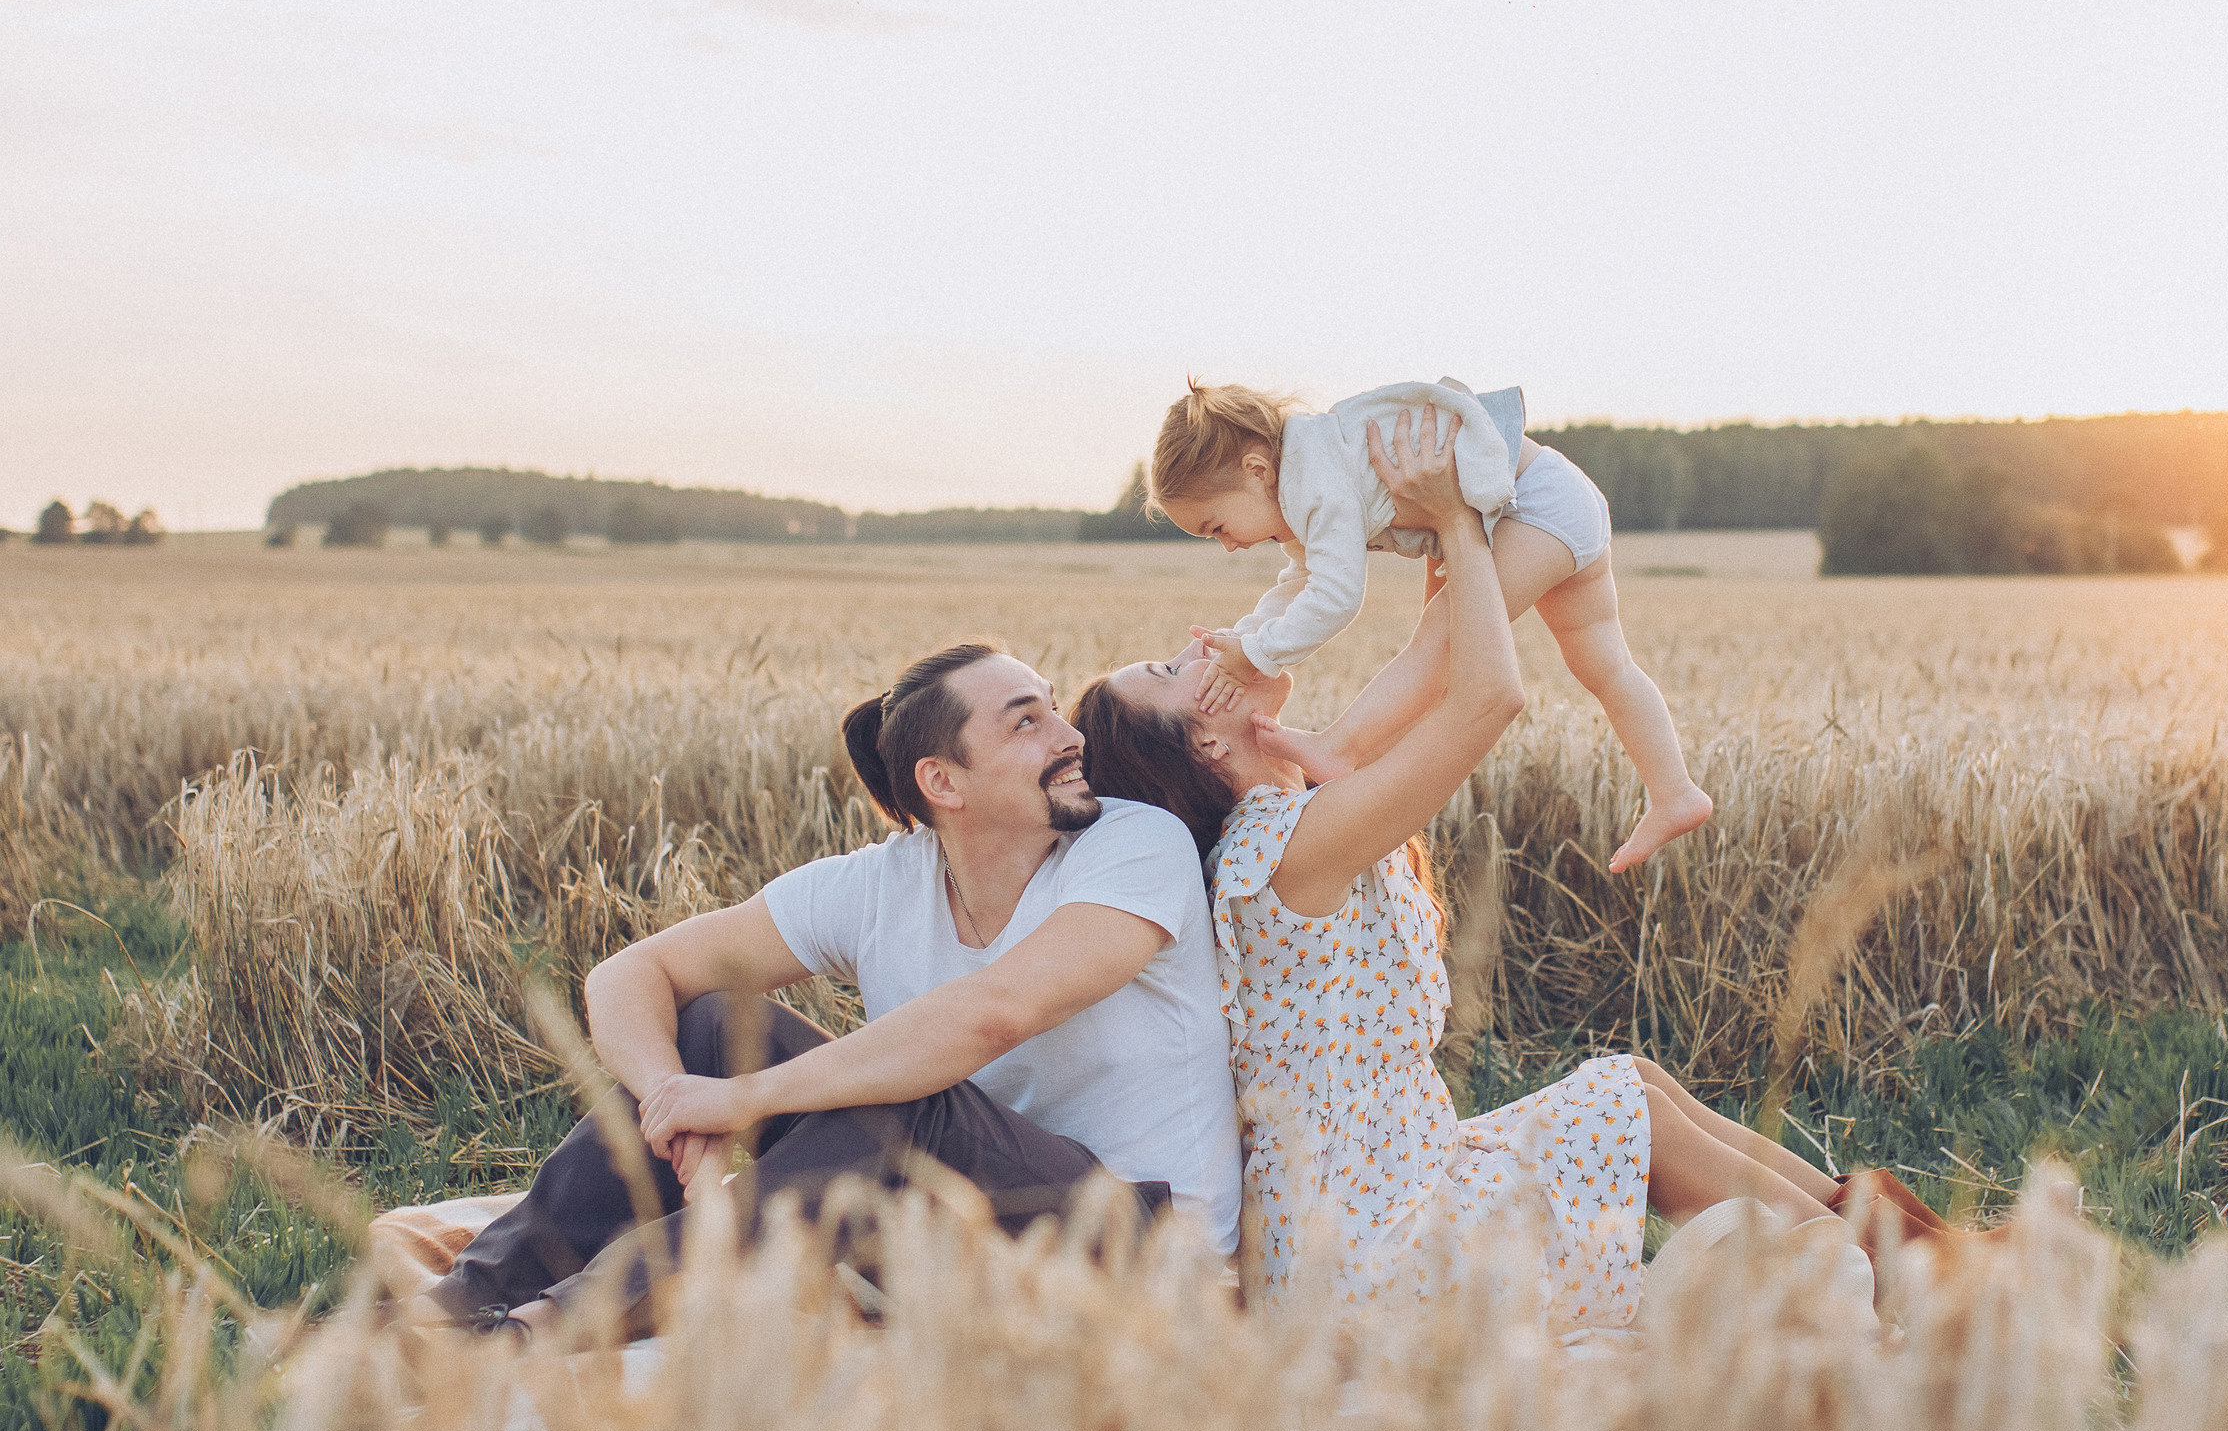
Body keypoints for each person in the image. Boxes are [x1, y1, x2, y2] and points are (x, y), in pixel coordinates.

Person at [1075, 410, 1953, 1330]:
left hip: (1389, 1182)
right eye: (1173, 665)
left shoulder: (1291, 818)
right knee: (1629, 1115)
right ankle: (1910, 1286)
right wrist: (1457, 521)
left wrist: (1443, 541)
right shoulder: (1281, 849)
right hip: (1373, 1244)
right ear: (1205, 736)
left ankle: (1887, 1234)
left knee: (1637, 1081)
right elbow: (1488, 695)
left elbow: (1445, 647)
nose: (1200, 633)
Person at [408, 642, 1240, 1340]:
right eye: (1028, 721)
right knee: (712, 1021)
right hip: (953, 1226)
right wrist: (674, 1099)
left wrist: (743, 1097)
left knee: (911, 1102)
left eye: (1056, 709)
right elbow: (629, 974)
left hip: (1140, 1241)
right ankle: (455, 1304)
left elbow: (995, 1013)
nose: (1071, 735)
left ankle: (549, 1327)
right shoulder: (881, 883)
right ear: (943, 783)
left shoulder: (1136, 845)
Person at [1143, 376, 1715, 873]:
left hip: (1530, 509)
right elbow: (1299, 582)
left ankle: (1340, 748)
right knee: (1606, 666)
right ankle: (1675, 791)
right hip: (1557, 495)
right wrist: (1244, 642)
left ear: (1255, 468)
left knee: (1442, 637)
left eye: (1216, 526)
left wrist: (1259, 654)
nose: (1227, 548)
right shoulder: (1299, 481)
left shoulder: (1311, 481)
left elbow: (1337, 595)